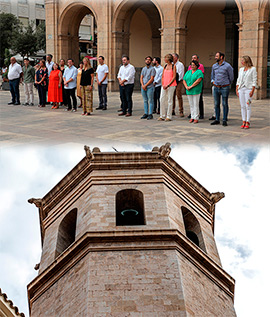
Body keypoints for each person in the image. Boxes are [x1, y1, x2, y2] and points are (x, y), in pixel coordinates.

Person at [211, 52, 234, 126]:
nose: (215, 57)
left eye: (217, 56)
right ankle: (217, 119)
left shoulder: (228, 66)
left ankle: (224, 119)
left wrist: (228, 83)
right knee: (216, 104)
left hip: (224, 87)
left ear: (221, 57)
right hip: (216, 87)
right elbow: (212, 75)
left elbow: (231, 76)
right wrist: (213, 81)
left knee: (224, 103)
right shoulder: (214, 66)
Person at [236, 55, 257, 129]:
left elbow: (254, 80)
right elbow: (238, 79)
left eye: (242, 60)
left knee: (248, 105)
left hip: (248, 89)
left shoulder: (252, 69)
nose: (241, 62)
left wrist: (252, 90)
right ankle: (243, 121)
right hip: (241, 89)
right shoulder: (241, 69)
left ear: (246, 61)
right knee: (242, 106)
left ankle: (248, 121)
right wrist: (237, 88)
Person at [158, 54, 177, 122]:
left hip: (171, 85)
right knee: (161, 99)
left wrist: (168, 84)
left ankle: (169, 116)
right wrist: (163, 84)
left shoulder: (173, 66)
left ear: (168, 59)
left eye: (165, 58)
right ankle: (162, 115)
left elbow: (174, 77)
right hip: (164, 85)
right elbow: (163, 76)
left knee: (170, 100)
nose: (164, 59)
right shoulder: (165, 66)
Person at [187, 54, 205, 119]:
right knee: (191, 102)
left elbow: (199, 77)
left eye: (194, 58)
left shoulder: (201, 66)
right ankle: (193, 114)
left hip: (198, 86)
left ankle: (201, 113)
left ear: (197, 59)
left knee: (199, 100)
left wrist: (193, 84)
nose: (193, 59)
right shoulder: (189, 67)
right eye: (192, 58)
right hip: (190, 86)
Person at [140, 56, 156, 120]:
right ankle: (146, 113)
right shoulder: (144, 69)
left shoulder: (153, 69)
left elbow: (152, 79)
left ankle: (150, 113)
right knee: (145, 100)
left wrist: (146, 85)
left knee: (150, 100)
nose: (147, 61)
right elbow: (141, 77)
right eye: (146, 60)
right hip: (143, 86)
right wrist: (142, 85)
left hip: (150, 87)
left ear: (151, 61)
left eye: (149, 60)